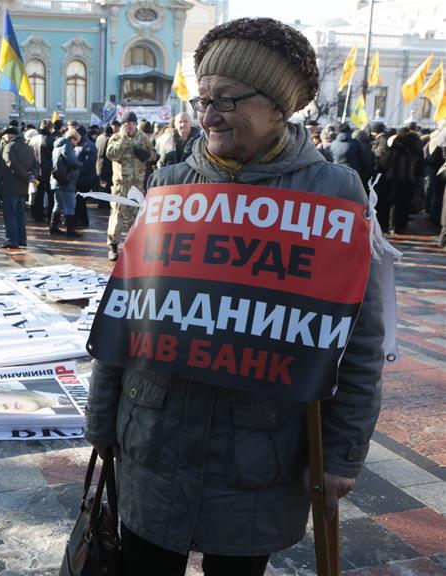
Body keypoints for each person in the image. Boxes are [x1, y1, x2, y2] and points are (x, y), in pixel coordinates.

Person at [86, 18, 384, 576]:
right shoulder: (169, 185)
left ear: (278, 107)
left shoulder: (333, 195)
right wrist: (102, 419)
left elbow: (358, 341)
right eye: (203, 98)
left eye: (227, 98)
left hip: (258, 452)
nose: (209, 113)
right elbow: (125, 313)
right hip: (153, 437)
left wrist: (342, 453)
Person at [105, 111, 151, 261]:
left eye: (132, 124)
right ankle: (112, 247)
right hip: (121, 186)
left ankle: (133, 246)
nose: (130, 127)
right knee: (117, 216)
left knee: (136, 217)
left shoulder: (142, 137)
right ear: (122, 125)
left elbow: (153, 155)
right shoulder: (116, 137)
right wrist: (124, 139)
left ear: (136, 124)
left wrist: (145, 154)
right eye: (127, 124)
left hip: (137, 186)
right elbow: (111, 155)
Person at [0, 126, 38, 249]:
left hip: (11, 187)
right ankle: (22, 239)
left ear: (9, 136)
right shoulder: (28, 147)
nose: (4, 139)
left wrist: (26, 176)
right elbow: (35, 165)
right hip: (23, 187)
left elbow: (12, 164)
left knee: (10, 214)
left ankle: (12, 240)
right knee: (20, 215)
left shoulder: (9, 147)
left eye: (5, 136)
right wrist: (31, 176)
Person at [50, 127, 83, 237]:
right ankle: (70, 230)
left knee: (58, 205)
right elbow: (72, 162)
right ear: (72, 138)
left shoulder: (57, 145)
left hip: (57, 179)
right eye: (76, 140)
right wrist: (81, 164)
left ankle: (53, 228)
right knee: (70, 206)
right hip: (65, 180)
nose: (77, 143)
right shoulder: (67, 146)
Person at [29, 120, 55, 222]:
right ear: (50, 128)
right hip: (48, 172)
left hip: (35, 171)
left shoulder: (33, 139)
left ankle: (38, 215)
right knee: (50, 195)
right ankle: (50, 216)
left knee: (38, 193)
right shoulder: (51, 139)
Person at [75, 127, 98, 228]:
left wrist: (77, 173)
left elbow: (88, 164)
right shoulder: (80, 144)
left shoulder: (88, 146)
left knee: (80, 200)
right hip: (80, 177)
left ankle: (83, 221)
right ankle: (79, 219)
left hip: (85, 178)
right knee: (78, 201)